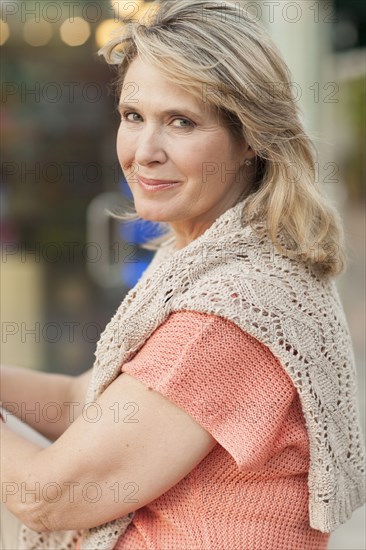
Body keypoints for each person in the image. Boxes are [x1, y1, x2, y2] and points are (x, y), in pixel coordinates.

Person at [1, 1, 365, 549]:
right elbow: (91, 402)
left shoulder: (234, 307)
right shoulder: (207, 258)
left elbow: (47, 496)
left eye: (181, 121)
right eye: (133, 116)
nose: (144, 152)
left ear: (252, 138)